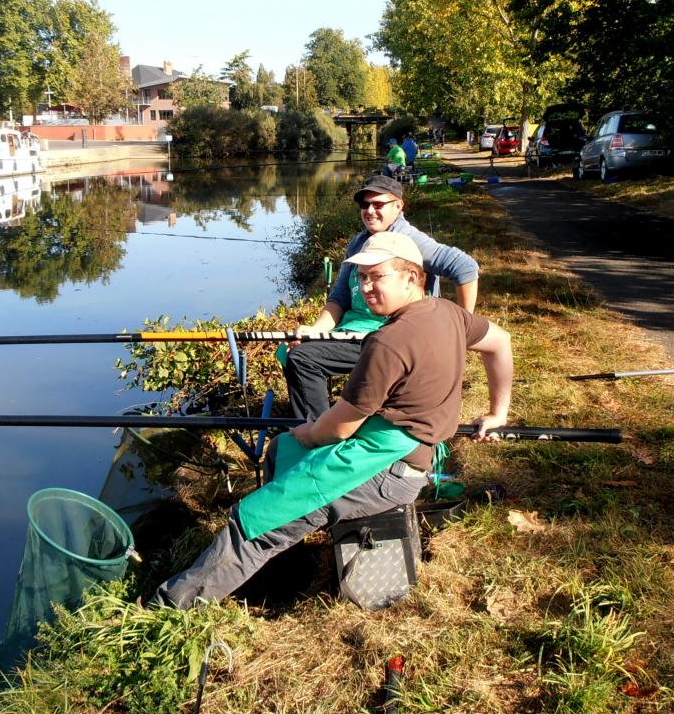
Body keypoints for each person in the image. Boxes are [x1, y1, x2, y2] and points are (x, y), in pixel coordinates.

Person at [153, 232, 513, 608]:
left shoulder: (388, 342)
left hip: (387, 469)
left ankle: (168, 608)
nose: (367, 287)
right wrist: (497, 412)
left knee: (253, 523)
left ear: (412, 277)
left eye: (378, 276)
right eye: (362, 278)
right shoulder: (449, 313)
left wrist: (309, 431)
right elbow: (500, 342)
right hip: (395, 450)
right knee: (281, 448)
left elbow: (340, 427)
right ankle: (280, 567)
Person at [283, 174, 480, 420]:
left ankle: (319, 434)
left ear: (398, 206)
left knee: (303, 358)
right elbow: (340, 297)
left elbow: (465, 268)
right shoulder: (358, 242)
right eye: (365, 205)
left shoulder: (411, 240)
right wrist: (316, 329)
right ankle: (332, 415)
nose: (370, 211)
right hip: (354, 330)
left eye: (379, 204)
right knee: (294, 348)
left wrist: (461, 331)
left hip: (388, 335)